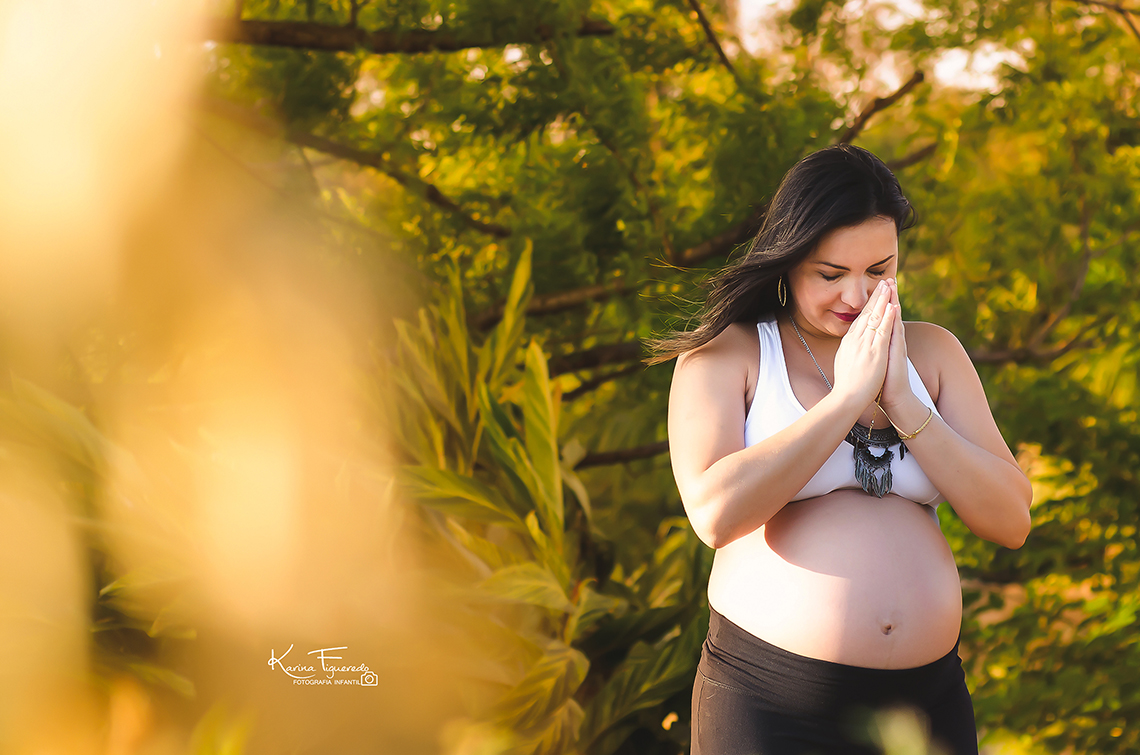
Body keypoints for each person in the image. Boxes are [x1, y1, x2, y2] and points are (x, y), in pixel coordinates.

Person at [651, 145, 1032, 754]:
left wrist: (904, 401)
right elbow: (715, 514)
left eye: (879, 270)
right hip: (769, 701)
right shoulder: (730, 355)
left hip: (926, 704)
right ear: (788, 259)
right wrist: (847, 400)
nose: (856, 294)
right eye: (830, 274)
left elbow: (1011, 519)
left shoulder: (933, 355)